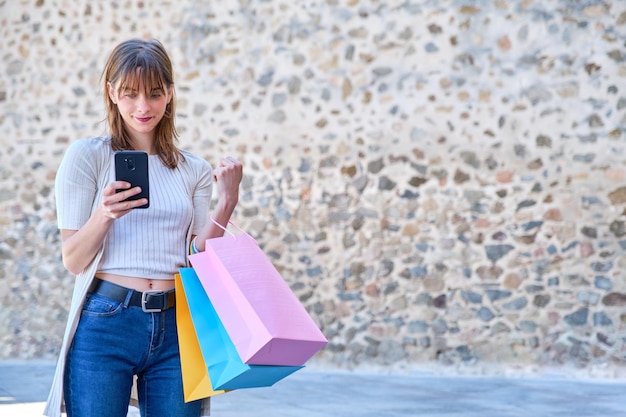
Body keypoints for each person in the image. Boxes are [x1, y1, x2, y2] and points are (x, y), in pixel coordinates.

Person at [44, 38, 243, 417]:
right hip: (106, 320)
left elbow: (198, 257)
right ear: (111, 92)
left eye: (154, 93)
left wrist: (227, 201)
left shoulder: (193, 169)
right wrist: (104, 213)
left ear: (169, 94)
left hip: (176, 323)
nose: (142, 106)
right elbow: (72, 260)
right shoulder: (87, 157)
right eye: (130, 93)